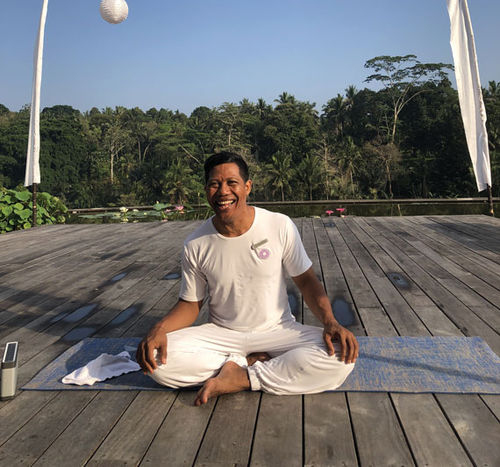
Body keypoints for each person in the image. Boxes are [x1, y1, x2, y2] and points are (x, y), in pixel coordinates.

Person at [136, 151, 358, 405]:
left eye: (231, 183)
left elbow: (306, 281)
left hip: (278, 330)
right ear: (206, 190)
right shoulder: (195, 244)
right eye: (214, 184)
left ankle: (240, 376)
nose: (223, 192)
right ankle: (249, 363)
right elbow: (190, 304)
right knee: (155, 358)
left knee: (341, 355)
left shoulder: (278, 225)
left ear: (247, 187)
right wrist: (159, 329)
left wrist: (330, 322)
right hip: (222, 334)